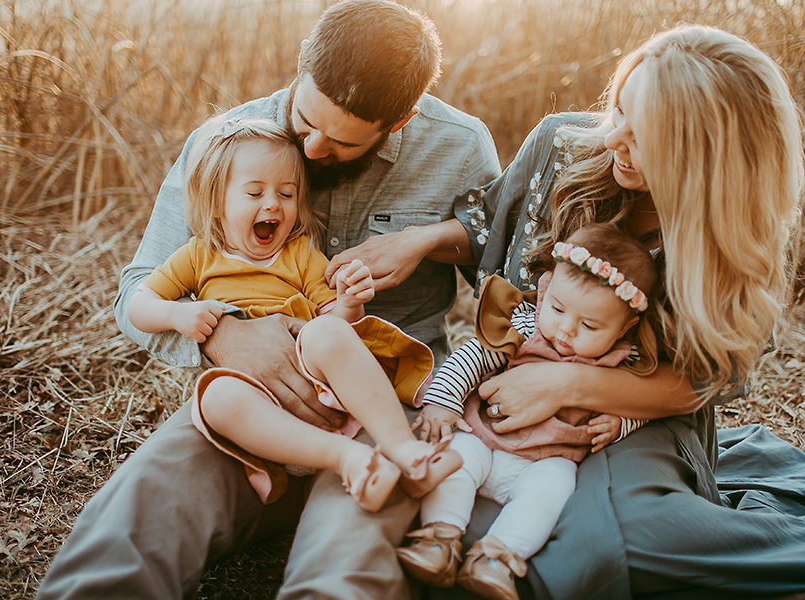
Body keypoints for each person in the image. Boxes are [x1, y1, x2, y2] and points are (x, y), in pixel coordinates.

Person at [36, 1, 499, 598]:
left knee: (347, 545)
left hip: (384, 405)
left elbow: (508, 279)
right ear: (301, 63)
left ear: (401, 120)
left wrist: (433, 237)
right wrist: (222, 334)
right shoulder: (224, 143)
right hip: (249, 403)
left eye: (340, 142)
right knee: (148, 499)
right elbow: (138, 289)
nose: (310, 149)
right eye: (306, 121)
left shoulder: (459, 148)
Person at [424, 23, 805, 599]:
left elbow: (706, 381)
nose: (612, 140)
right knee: (453, 489)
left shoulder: (727, 233)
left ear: (704, 159)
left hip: (637, 417)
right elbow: (488, 231)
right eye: (619, 111)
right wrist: (416, 242)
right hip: (512, 395)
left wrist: (566, 383)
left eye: (643, 134)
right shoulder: (562, 147)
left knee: (621, 537)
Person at [127, 116, 462, 512]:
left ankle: (406, 452)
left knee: (324, 333)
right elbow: (138, 304)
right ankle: (346, 458)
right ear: (217, 203)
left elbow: (335, 321)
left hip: (313, 378)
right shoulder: (198, 255)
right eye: (254, 193)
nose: (272, 204)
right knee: (216, 396)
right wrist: (177, 316)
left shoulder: (299, 253)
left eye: (286, 194)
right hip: (253, 395)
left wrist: (351, 303)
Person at [397, 223, 657, 600]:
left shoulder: (621, 362)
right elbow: (473, 357)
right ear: (547, 289)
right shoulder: (523, 326)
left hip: (546, 461)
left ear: (624, 328)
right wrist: (443, 401)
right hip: (485, 437)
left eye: (589, 325)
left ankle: (498, 556)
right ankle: (439, 538)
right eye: (557, 309)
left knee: (554, 491)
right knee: (456, 460)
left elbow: (639, 402)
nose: (565, 330)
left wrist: (621, 422)